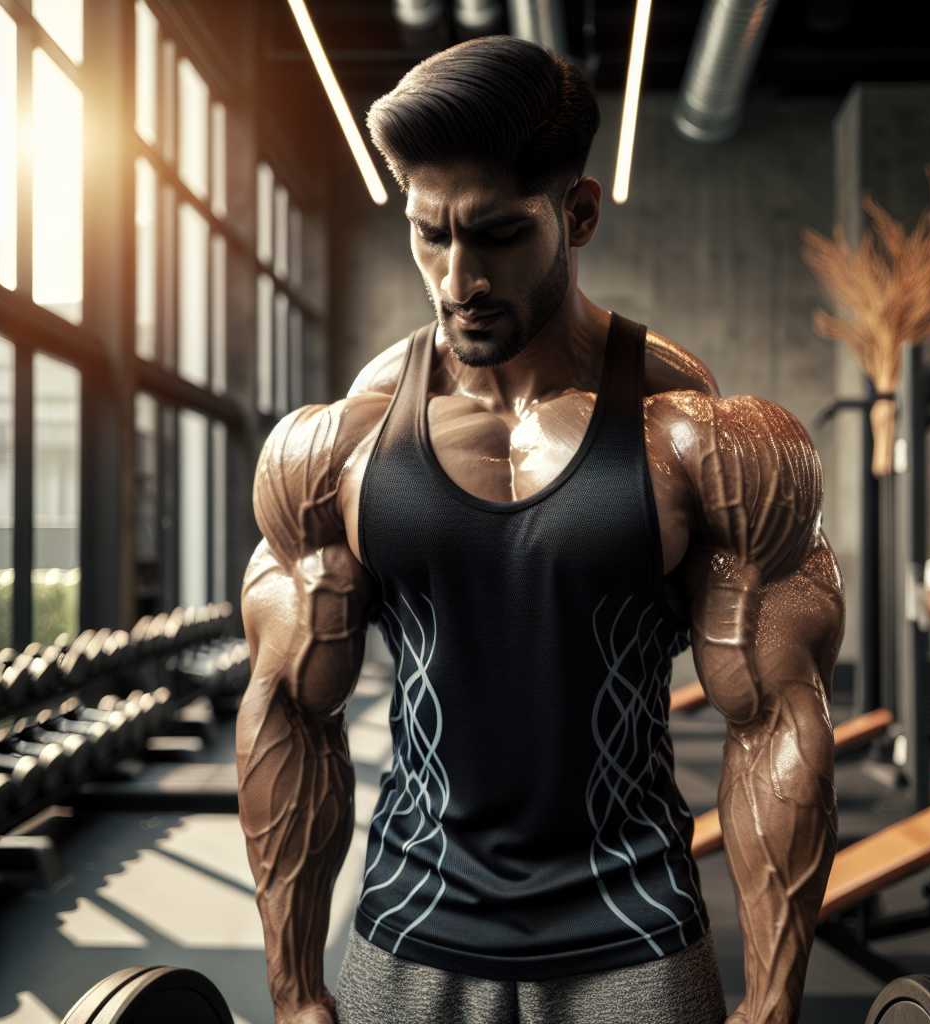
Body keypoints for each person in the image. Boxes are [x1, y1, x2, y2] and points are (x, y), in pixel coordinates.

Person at [237, 37, 843, 1024]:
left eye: (496, 234)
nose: (455, 277)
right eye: (428, 234)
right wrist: (295, 988)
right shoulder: (339, 445)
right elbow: (289, 709)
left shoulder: (695, 435)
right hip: (408, 923)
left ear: (579, 213)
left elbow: (774, 716)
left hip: (633, 934)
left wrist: (772, 999)